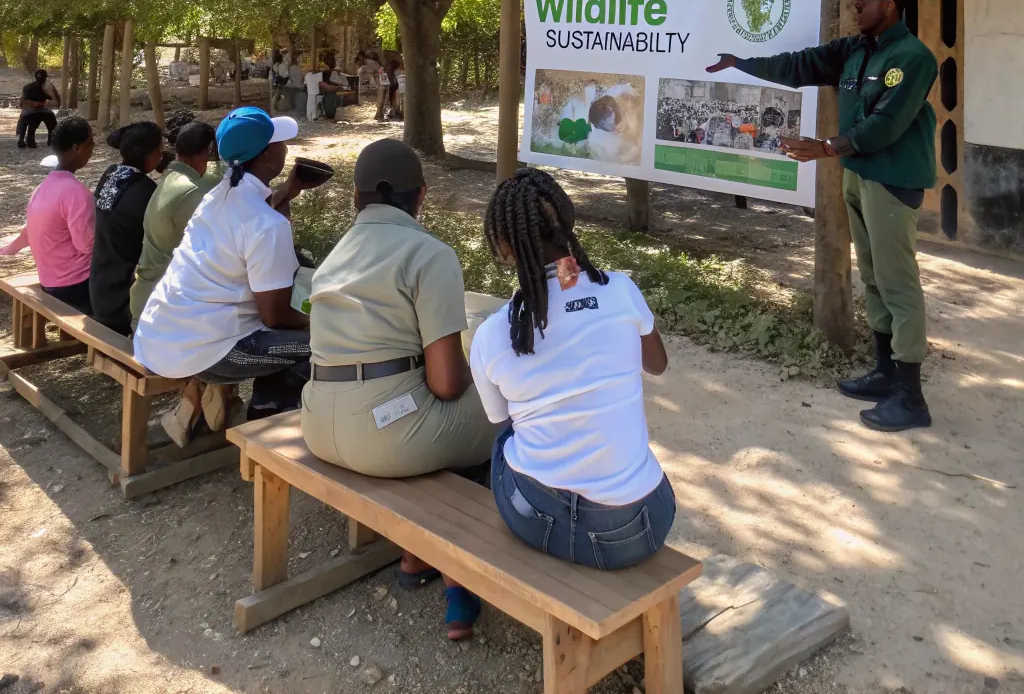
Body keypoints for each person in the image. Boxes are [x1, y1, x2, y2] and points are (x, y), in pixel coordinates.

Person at [707, 0, 937, 432]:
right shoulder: (855, 51)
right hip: (860, 175)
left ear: (889, 8)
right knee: (872, 277)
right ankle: (885, 373)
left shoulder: (912, 58)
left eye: (861, 5)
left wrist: (828, 147)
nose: (854, 12)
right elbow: (799, 65)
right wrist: (742, 63)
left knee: (897, 282)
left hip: (893, 179)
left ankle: (911, 397)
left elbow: (887, 123)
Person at [302, 138, 496, 640]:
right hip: (385, 435)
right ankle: (461, 570)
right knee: (502, 410)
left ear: (353, 199)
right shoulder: (429, 254)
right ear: (422, 196)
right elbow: (447, 384)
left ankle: (416, 555)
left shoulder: (334, 258)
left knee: (433, 416)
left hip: (319, 425)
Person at [470, 167, 676, 571]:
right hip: (640, 527)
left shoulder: (494, 333)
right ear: (566, 220)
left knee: (505, 439)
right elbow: (657, 364)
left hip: (537, 520)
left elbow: (500, 419)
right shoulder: (619, 290)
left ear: (504, 247)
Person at [134, 106, 315, 420]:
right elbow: (275, 316)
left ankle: (260, 404)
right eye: (280, 144)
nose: (285, 149)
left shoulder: (216, 195)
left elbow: (250, 217)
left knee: (274, 331)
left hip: (158, 336)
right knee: (324, 345)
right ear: (270, 156)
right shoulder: (266, 225)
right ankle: (266, 420)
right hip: (205, 352)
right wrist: (322, 322)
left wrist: (290, 190)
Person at [129, 119, 222, 328]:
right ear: (207, 151)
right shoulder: (191, 191)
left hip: (147, 296)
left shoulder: (171, 177)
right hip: (161, 307)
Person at [0, 116, 96, 312]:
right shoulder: (77, 193)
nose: (92, 149)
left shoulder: (42, 188)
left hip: (48, 280)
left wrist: (8, 250)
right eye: (90, 144)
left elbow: (29, 230)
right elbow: (86, 245)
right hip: (74, 285)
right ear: (77, 148)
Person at [89, 121, 165, 337]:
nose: (161, 154)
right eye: (159, 150)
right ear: (147, 154)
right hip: (123, 298)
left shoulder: (111, 174)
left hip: (100, 287)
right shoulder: (145, 190)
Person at [16, 69, 59, 149]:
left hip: (34, 111)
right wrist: (36, 103)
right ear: (45, 77)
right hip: (41, 110)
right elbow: (56, 100)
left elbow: (21, 103)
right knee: (50, 118)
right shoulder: (49, 86)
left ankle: (22, 139)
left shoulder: (28, 87)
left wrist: (34, 104)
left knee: (24, 118)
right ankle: (51, 139)